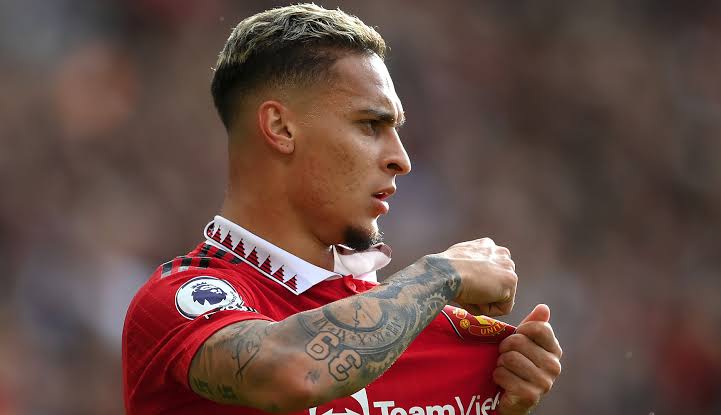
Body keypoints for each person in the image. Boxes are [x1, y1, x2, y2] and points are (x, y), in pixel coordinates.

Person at [122, 4, 562, 415]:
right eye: (370, 125)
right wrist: (439, 275)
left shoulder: (416, 327)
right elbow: (293, 372)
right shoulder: (177, 299)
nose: (401, 159)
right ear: (281, 127)